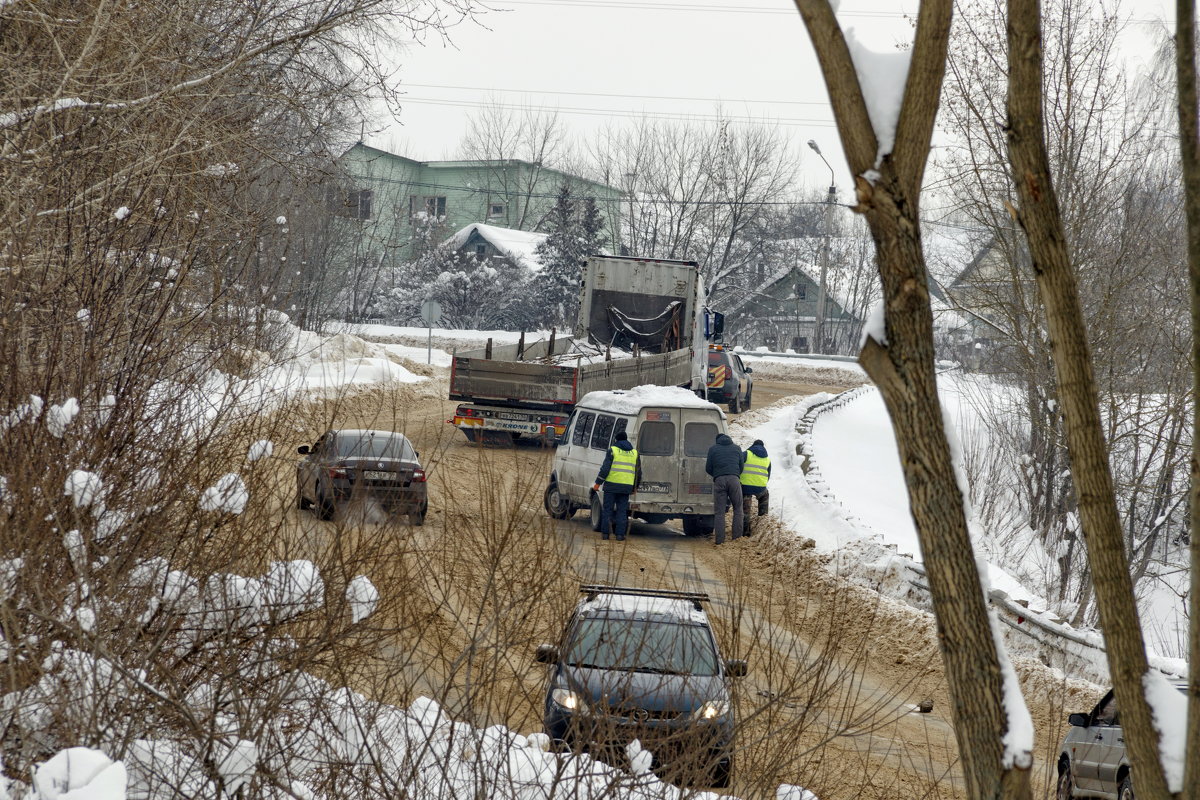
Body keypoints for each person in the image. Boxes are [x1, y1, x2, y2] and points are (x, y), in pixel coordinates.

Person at [592, 430, 640, 541]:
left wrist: (598, 483)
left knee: (607, 510)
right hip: (626, 487)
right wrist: (635, 487)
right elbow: (638, 473)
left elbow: (605, 469)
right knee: (622, 511)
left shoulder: (612, 451)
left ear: (616, 440)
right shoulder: (635, 453)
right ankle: (620, 535)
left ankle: (605, 534)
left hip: (611, 486)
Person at [705, 432, 743, 545]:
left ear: (717, 440)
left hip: (719, 480)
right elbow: (741, 466)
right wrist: (734, 474)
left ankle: (719, 541)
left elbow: (708, 468)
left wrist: (717, 475)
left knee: (719, 512)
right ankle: (736, 539)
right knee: (738, 509)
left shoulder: (713, 449)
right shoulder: (737, 448)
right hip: (734, 480)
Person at [739, 439, 771, 537]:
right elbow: (768, 475)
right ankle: (762, 520)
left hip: (745, 487)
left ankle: (745, 532)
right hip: (760, 487)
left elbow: (738, 467)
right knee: (764, 497)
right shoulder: (767, 459)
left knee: (745, 509)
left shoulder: (746, 454)